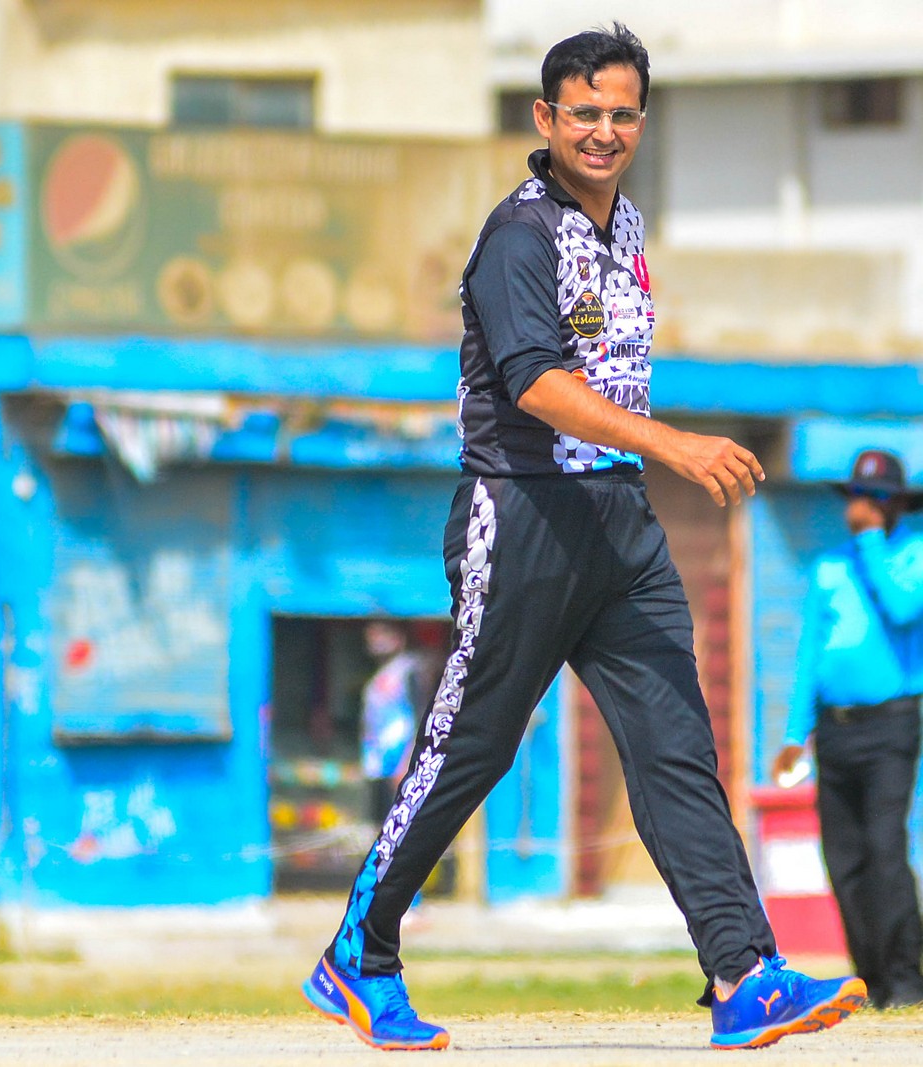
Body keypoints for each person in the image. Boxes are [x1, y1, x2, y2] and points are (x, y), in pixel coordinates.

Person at [301, 23, 865, 1052]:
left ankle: (743, 974)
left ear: (642, 121)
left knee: (676, 747)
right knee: (469, 746)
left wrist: (646, 461)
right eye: (584, 113)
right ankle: (360, 950)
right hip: (522, 515)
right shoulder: (518, 236)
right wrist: (674, 444)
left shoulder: (627, 226)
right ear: (546, 118)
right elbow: (536, 382)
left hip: (620, 527)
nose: (603, 131)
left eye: (622, 114)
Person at [772, 449, 923, 1010]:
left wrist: (871, 540)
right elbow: (810, 656)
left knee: (884, 849)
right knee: (844, 859)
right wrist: (795, 735)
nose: (863, 506)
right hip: (834, 734)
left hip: (891, 726)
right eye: (858, 495)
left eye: (876, 497)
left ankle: (906, 980)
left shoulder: (911, 555)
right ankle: (872, 979)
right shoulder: (828, 567)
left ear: (896, 504)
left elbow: (902, 608)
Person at [361, 621, 419, 820]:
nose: (375, 640)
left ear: (398, 638)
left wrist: (408, 761)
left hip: (399, 760)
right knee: (379, 820)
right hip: (378, 761)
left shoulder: (408, 670)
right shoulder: (379, 675)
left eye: (382, 634)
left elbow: (421, 715)